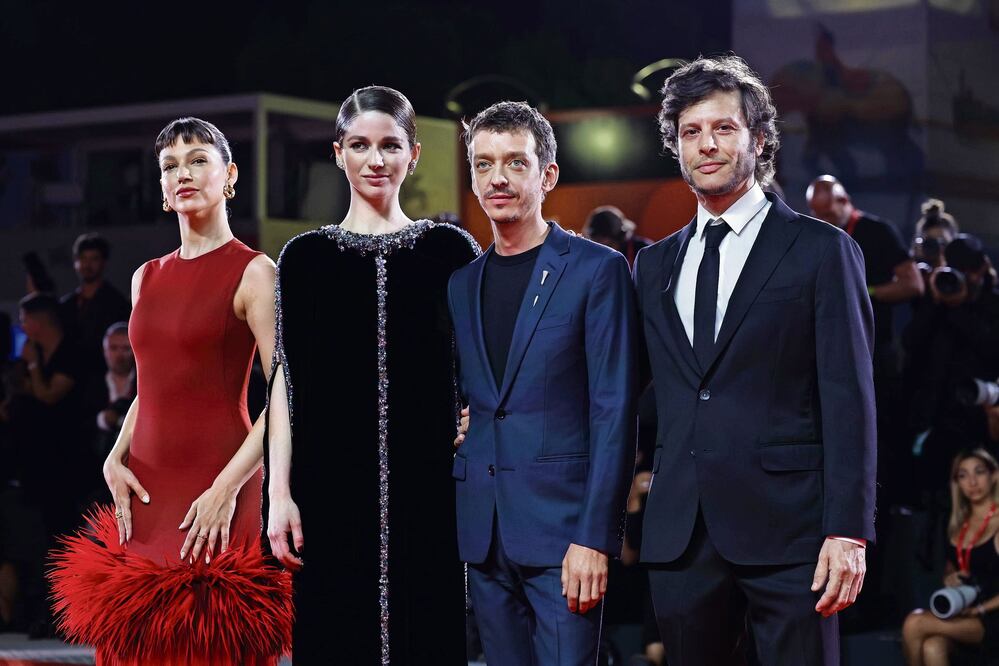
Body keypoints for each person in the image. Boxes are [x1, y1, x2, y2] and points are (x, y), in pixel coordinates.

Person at [633, 55, 877, 665]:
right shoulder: (654, 265)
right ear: (675, 146)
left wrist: (847, 530)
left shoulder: (822, 250)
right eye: (690, 132)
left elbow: (849, 398)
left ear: (760, 138)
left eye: (723, 128)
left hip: (792, 538)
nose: (706, 145)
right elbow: (633, 390)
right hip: (682, 539)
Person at [49, 117, 292, 665]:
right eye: (169, 166)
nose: (183, 173)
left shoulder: (255, 272)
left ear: (229, 175)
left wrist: (227, 487)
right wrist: (115, 456)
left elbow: (287, 390)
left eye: (198, 159)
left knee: (213, 645)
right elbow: (153, 385)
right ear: (161, 188)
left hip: (219, 486)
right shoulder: (146, 276)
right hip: (145, 491)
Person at [265, 85, 479, 665]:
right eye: (360, 145)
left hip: (432, 488)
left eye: (389, 146)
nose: (375, 160)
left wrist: (474, 422)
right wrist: (278, 493)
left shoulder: (449, 251)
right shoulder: (305, 259)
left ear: (413, 155)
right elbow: (286, 381)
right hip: (328, 487)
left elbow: (480, 367)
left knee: (428, 633)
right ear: (338, 154)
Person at [448, 101, 638, 666]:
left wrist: (595, 537)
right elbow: (474, 393)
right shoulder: (462, 283)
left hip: (564, 538)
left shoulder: (595, 269)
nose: (497, 178)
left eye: (514, 163)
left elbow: (614, 408)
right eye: (483, 165)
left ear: (547, 174)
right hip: (483, 534)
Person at [903, 449, 999, 666]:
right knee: (932, 647)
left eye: (979, 472)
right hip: (964, 613)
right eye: (963, 475)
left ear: (993, 475)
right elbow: (952, 569)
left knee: (914, 622)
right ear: (956, 483)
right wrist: (951, 579)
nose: (972, 482)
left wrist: (980, 609)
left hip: (991, 617)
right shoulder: (958, 525)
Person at [59, 233, 131, 376]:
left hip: (102, 379)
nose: (87, 265)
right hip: (68, 379)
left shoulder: (116, 303)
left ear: (103, 262)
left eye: (94, 259)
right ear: (76, 262)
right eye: (83, 258)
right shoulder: (66, 305)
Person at [86, 322, 136, 461]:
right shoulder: (90, 385)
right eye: (113, 348)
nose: (120, 355)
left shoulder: (144, 385)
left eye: (126, 348)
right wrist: (103, 420)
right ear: (104, 351)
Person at [582, 205, 651, 269]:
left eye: (608, 246)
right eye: (596, 244)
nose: (602, 250)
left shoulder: (643, 251)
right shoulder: (588, 255)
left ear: (620, 237)